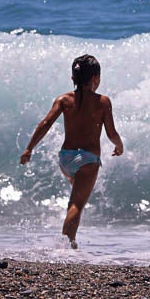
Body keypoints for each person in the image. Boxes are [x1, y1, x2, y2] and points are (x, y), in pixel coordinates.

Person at [20, 54, 124, 248]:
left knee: (76, 196)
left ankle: (68, 241)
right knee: (76, 204)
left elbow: (45, 123)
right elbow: (111, 133)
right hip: (87, 160)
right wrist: (119, 146)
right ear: (96, 79)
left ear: (72, 79)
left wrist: (29, 148)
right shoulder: (103, 102)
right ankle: (67, 246)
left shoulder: (64, 99)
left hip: (66, 160)